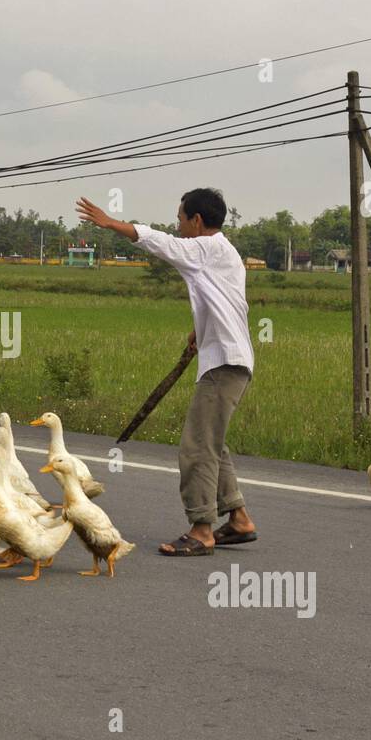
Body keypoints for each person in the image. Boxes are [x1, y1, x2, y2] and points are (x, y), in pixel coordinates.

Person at [75, 188, 257, 557]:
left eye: (181, 219)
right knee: (212, 443)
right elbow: (227, 301)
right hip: (227, 356)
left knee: (197, 447)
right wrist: (200, 332)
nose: (178, 226)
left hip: (224, 363)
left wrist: (111, 223)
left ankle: (201, 529)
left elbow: (159, 243)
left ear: (197, 221)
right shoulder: (227, 253)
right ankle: (238, 519)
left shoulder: (203, 249)